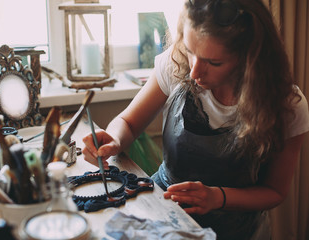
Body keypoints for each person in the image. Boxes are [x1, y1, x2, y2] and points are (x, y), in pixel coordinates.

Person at [82, 0, 309, 239]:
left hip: (237, 230)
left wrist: (218, 197)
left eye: (214, 62)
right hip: (164, 213)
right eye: (191, 51)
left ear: (250, 59)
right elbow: (128, 123)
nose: (194, 72)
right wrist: (114, 139)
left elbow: (274, 191)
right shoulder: (176, 63)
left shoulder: (287, 105)